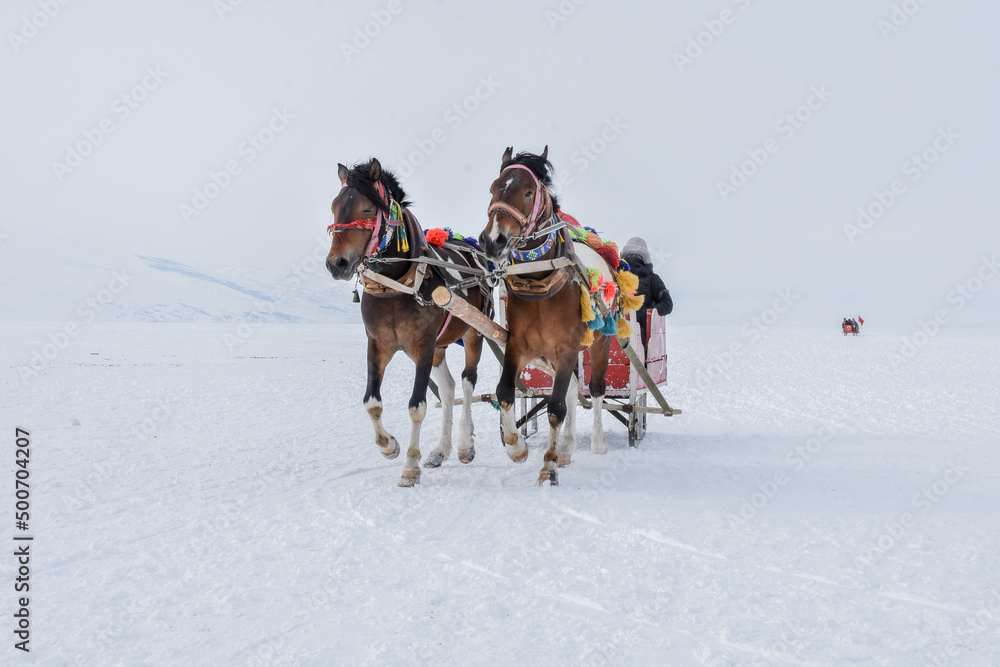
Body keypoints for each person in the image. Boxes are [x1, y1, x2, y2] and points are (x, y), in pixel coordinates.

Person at [620, 237, 673, 350]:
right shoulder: (653, 279)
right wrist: (647, 314)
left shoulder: (614, 276)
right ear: (645, 257)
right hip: (643, 339)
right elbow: (667, 303)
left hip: (613, 334)